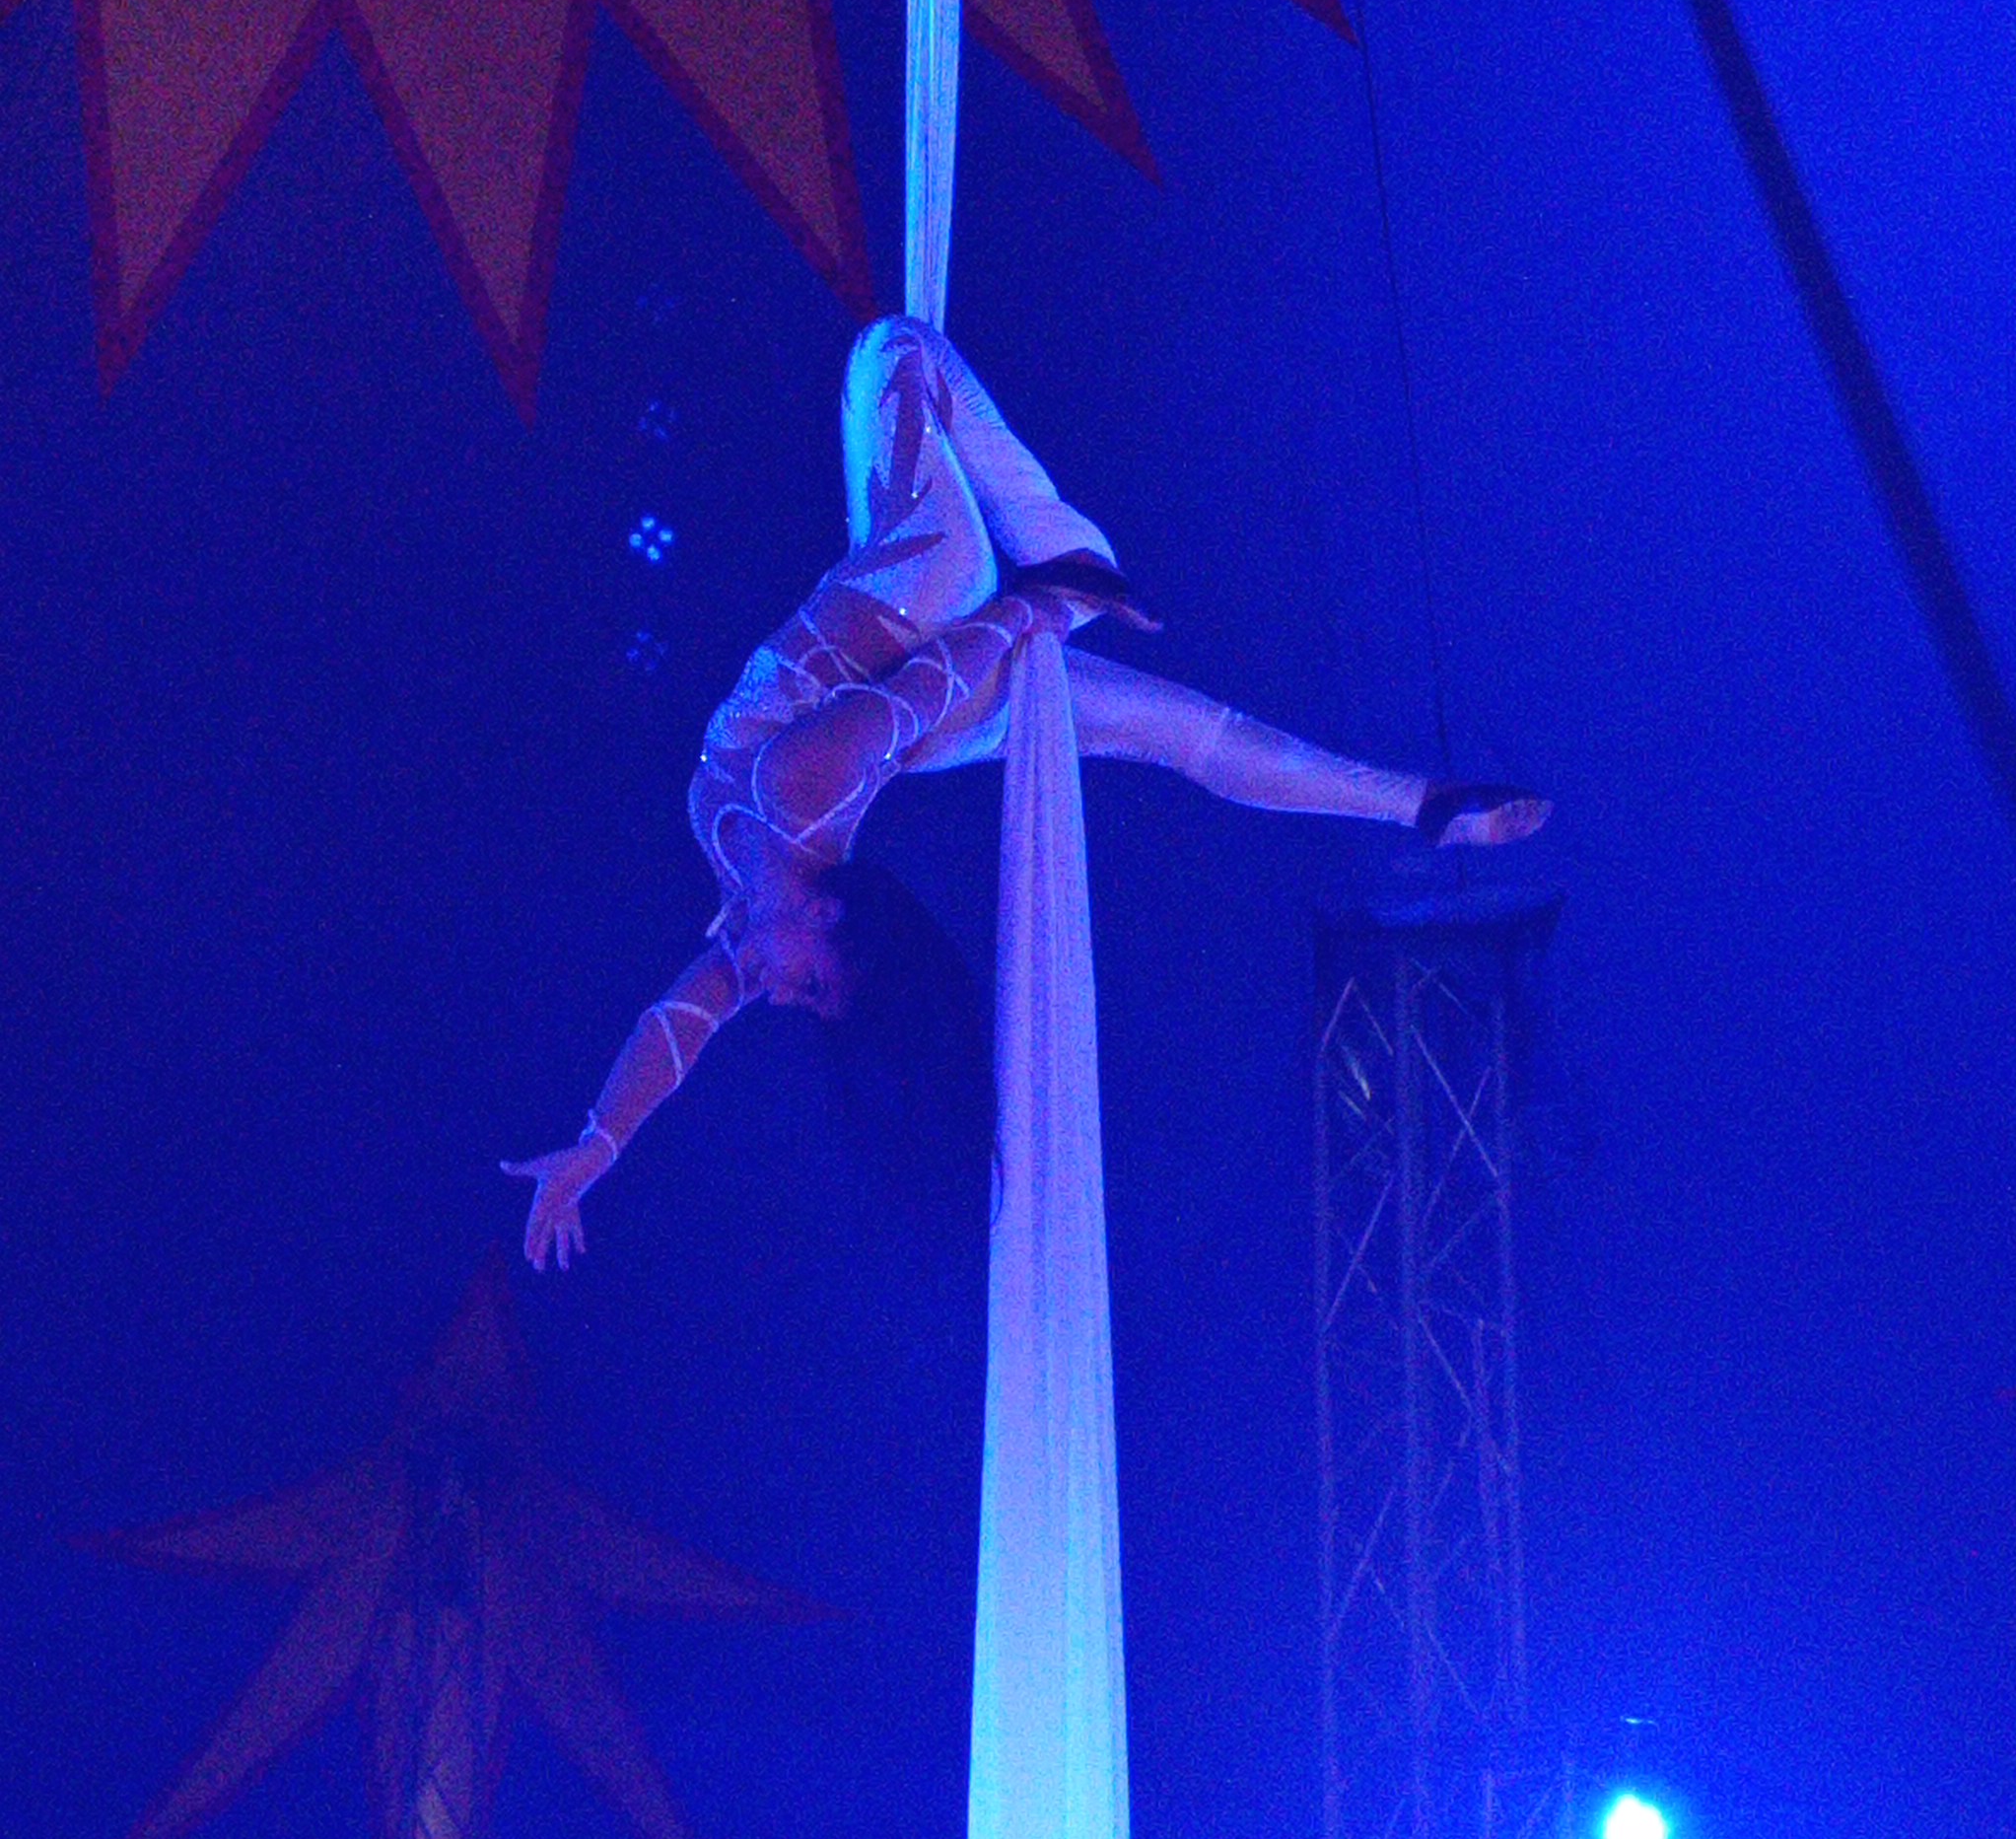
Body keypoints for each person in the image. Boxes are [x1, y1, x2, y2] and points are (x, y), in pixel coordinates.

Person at [509, 318, 1548, 1270]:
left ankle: (1085, 573)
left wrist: (595, 1148)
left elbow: (673, 1031)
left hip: (915, 691)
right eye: (814, 986)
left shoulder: (750, 910)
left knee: (1166, 726)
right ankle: (1417, 800)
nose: (777, 996)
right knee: (889, 350)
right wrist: (1034, 605)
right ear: (824, 917)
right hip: (932, 600)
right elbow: (921, 688)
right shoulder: (799, 788)